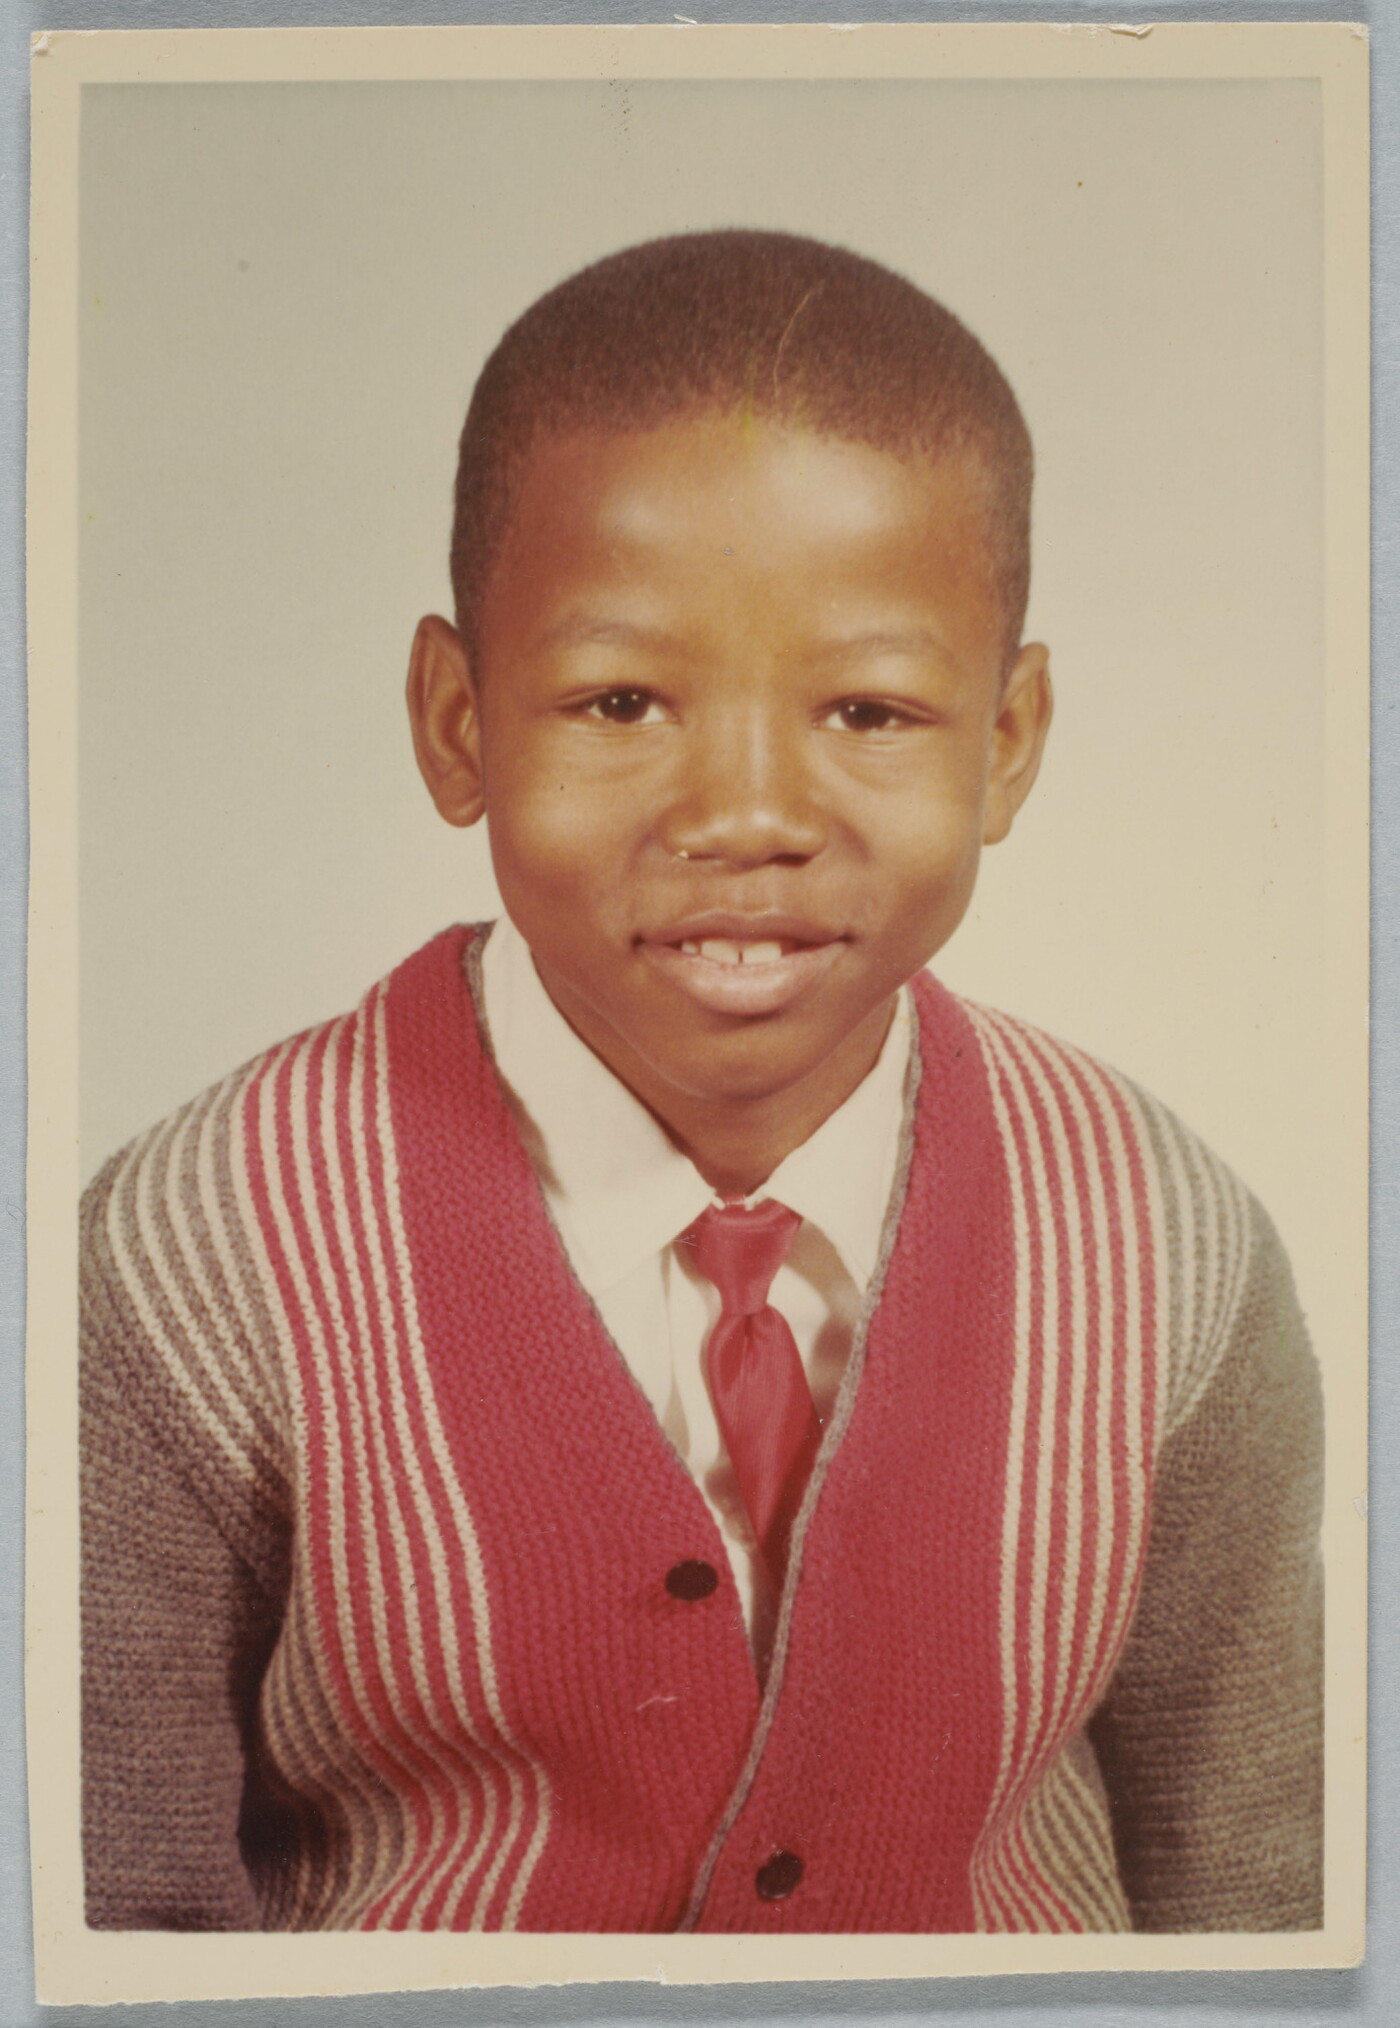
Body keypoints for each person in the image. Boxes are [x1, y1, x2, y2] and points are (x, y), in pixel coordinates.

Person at [79, 229, 1323, 1935]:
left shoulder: (1172, 1255)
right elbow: (103, 1911)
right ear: (456, 722)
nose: (746, 811)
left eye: (872, 712)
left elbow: (1265, 1882)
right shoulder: (193, 1260)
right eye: (622, 699)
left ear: (1009, 745)